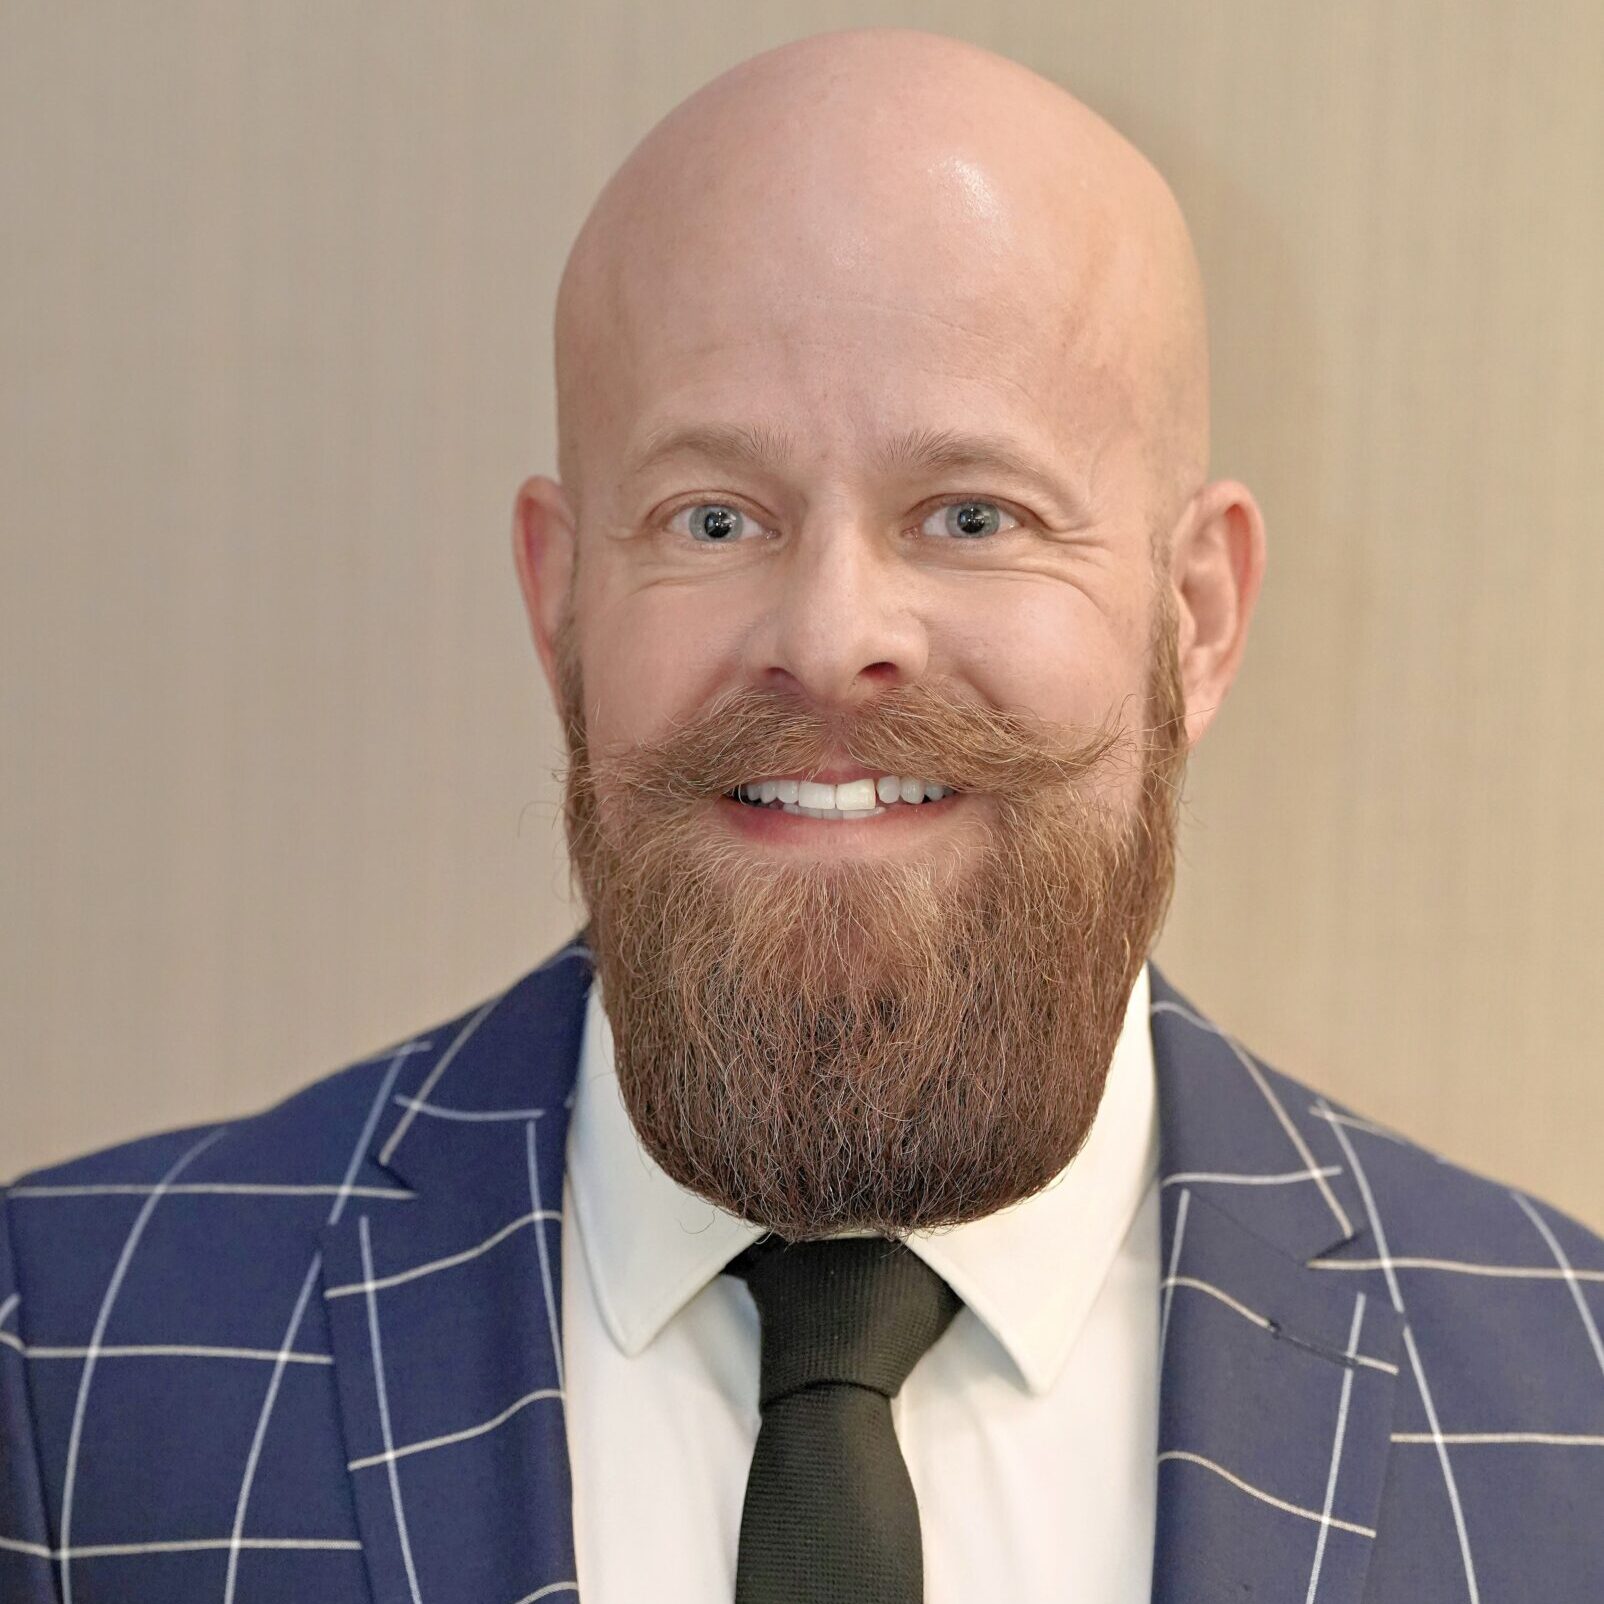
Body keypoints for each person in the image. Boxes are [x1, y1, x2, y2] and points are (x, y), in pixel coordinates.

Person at [2, 25, 1599, 1604]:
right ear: (561, 600)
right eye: (714, 518)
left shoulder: (1571, 1404)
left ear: (1197, 612)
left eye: (973, 515)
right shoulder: (64, 1366)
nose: (833, 637)